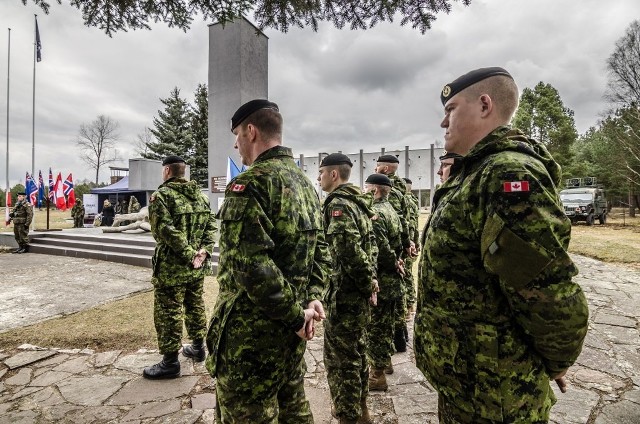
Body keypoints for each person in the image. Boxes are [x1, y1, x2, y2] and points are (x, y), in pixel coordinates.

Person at [414, 66, 589, 423]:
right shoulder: (476, 172)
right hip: (469, 383)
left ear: (484, 105)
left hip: (497, 393)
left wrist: (554, 359)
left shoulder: (507, 173)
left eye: (450, 110)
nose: (443, 123)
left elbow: (546, 290)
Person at [205, 99, 330, 423]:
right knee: (294, 411)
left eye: (236, 135)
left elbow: (248, 264)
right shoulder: (306, 186)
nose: (235, 143)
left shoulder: (250, 184)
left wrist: (294, 315)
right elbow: (320, 251)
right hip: (292, 337)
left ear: (251, 131)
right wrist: (312, 298)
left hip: (251, 341)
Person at [143, 155, 217, 380]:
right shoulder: (200, 197)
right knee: (195, 305)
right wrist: (203, 251)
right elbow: (211, 225)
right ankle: (198, 347)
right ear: (183, 172)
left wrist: (189, 254)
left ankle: (170, 362)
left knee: (169, 312)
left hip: (173, 268)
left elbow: (164, 231)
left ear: (166, 171)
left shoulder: (161, 197)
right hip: (196, 266)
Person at [318, 153, 378, 424]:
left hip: (345, 296)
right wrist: (371, 282)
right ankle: (360, 409)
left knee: (342, 361)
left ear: (333, 175)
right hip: (356, 294)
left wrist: (367, 283)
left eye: (321, 173)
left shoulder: (339, 205)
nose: (318, 178)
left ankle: (347, 414)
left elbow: (349, 251)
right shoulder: (360, 203)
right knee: (357, 353)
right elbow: (371, 246)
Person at [363, 173, 404, 392]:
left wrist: (393, 262)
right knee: (386, 324)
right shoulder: (391, 210)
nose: (363, 191)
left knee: (377, 329)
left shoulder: (377, 212)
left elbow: (380, 246)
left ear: (375, 190)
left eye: (366, 187)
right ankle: (384, 362)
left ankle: (376, 375)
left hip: (384, 279)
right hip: (392, 279)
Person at [375, 155, 415, 352]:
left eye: (377, 166)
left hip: (391, 251)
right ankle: (401, 336)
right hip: (401, 246)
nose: (375, 168)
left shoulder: (391, 193)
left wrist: (400, 250)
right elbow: (405, 221)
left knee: (390, 299)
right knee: (399, 291)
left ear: (385, 169)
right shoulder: (400, 191)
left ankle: (396, 339)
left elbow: (398, 222)